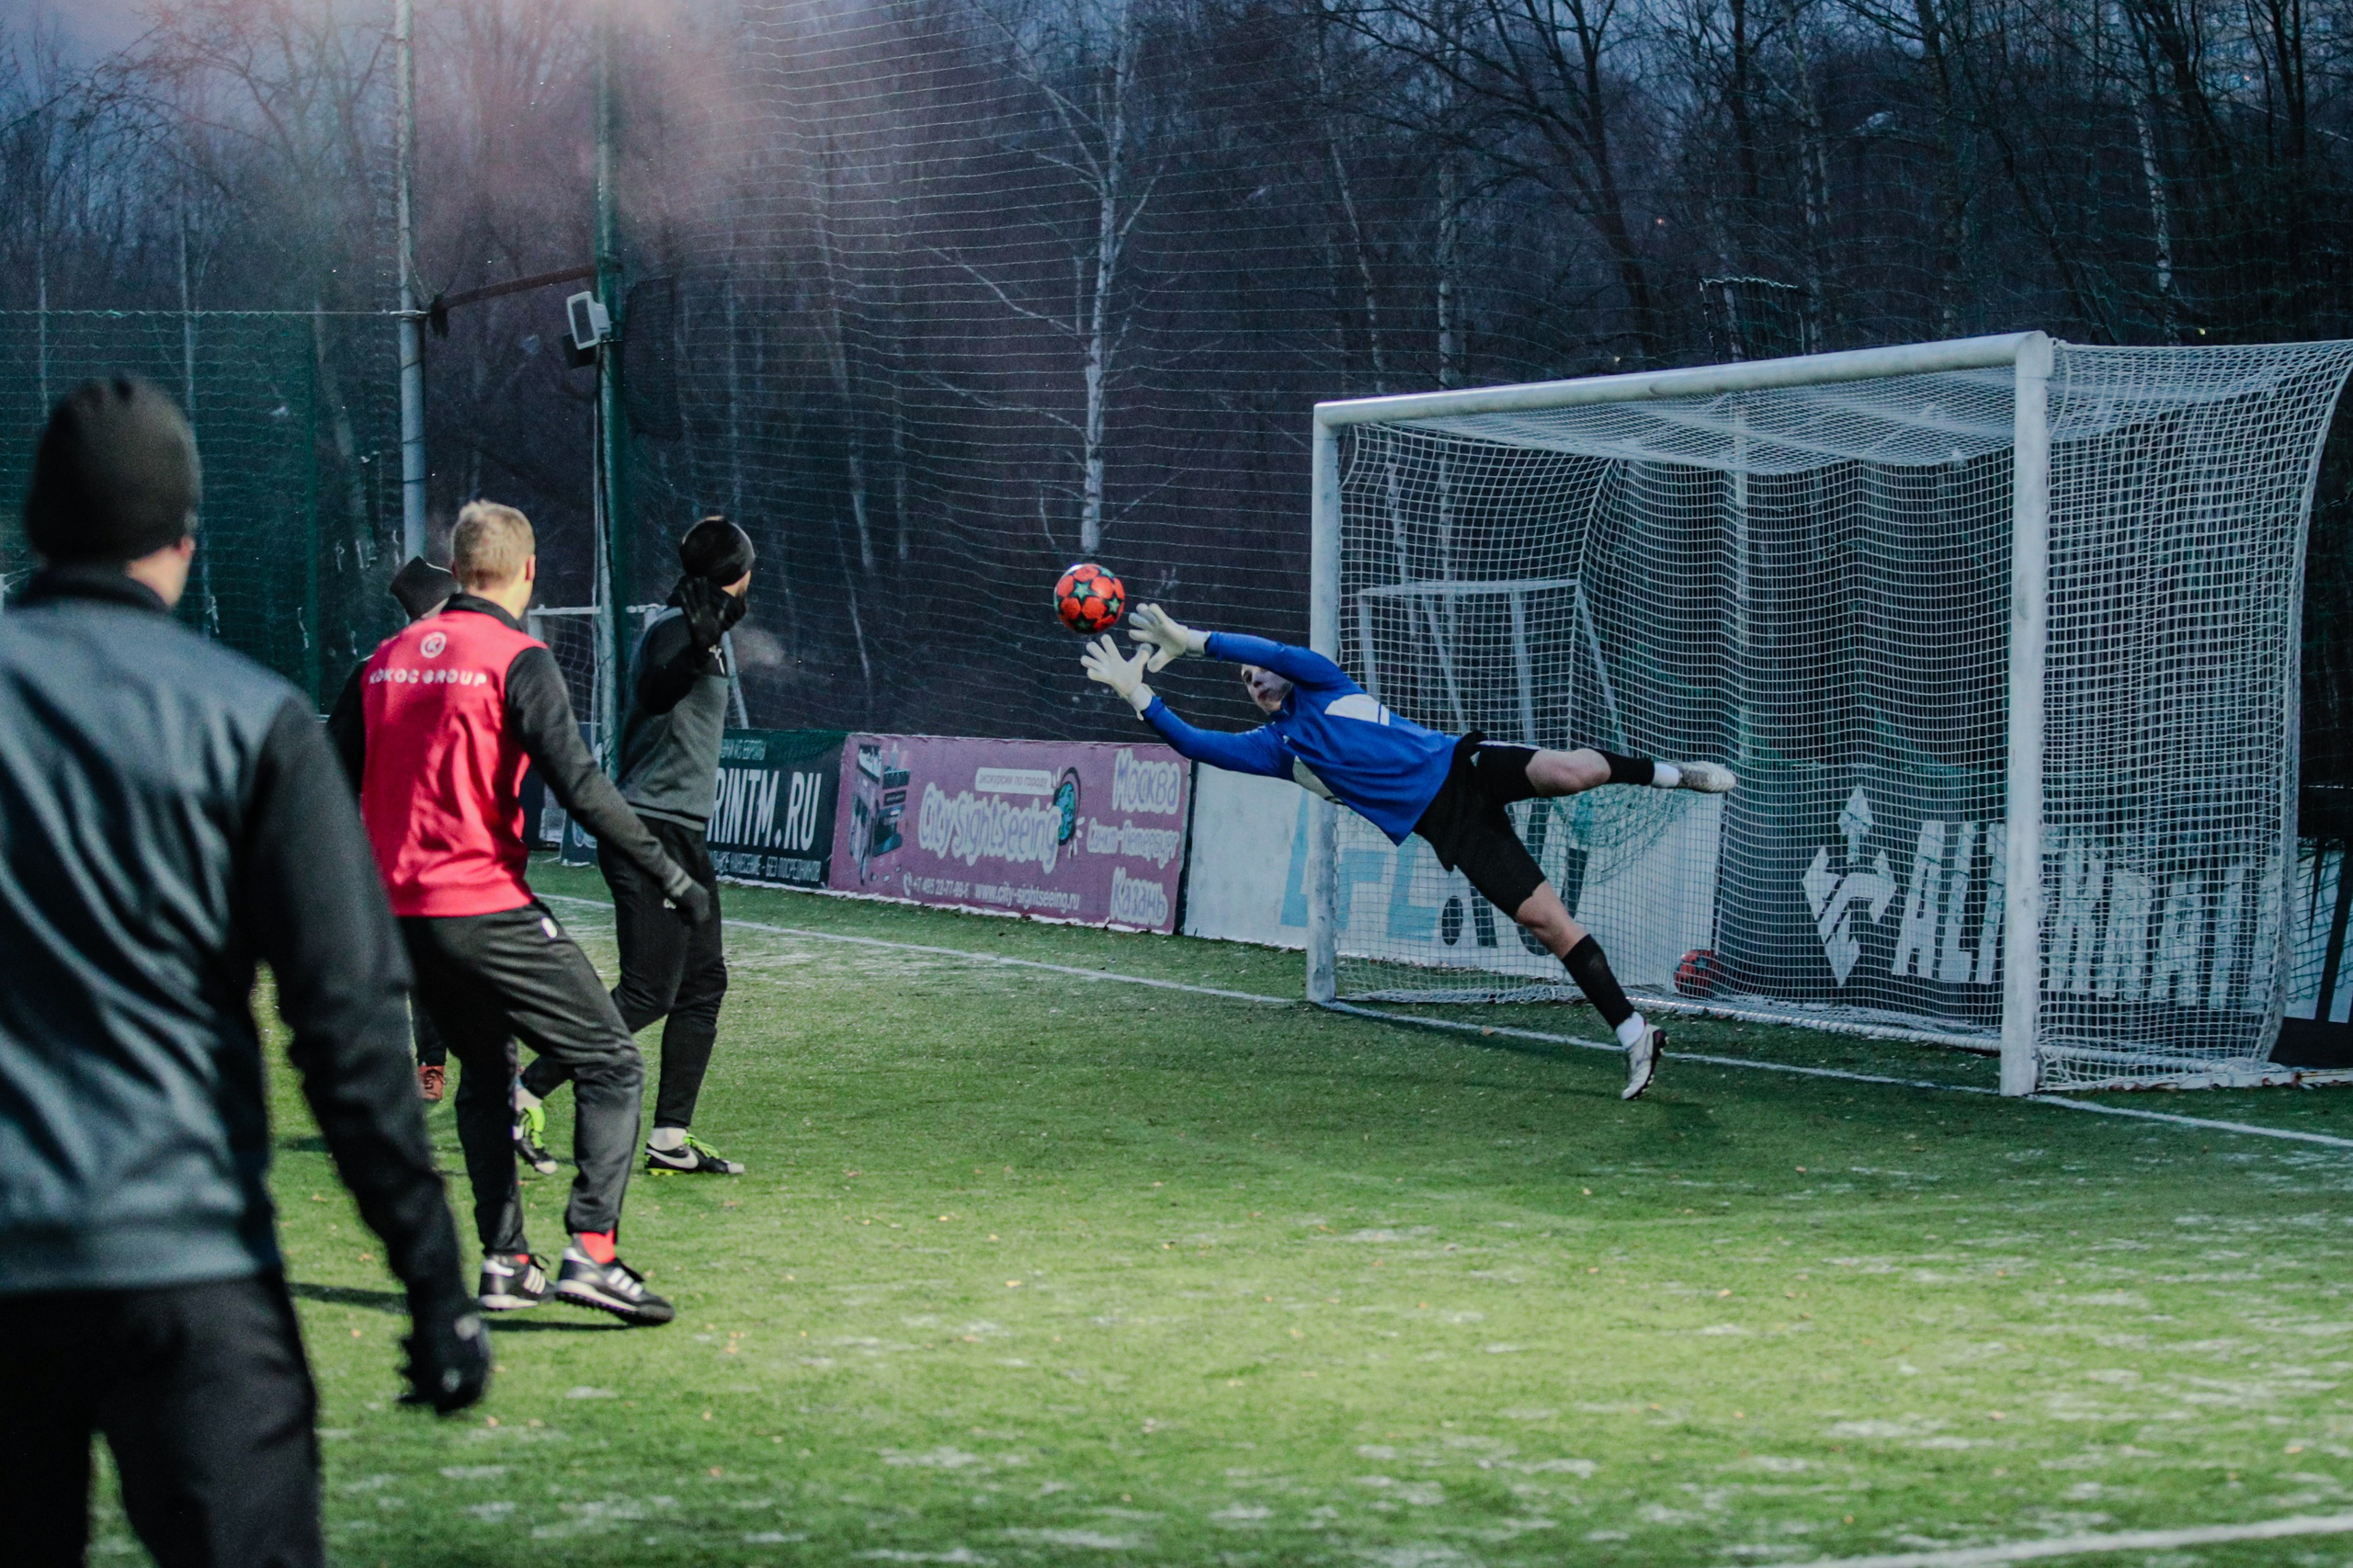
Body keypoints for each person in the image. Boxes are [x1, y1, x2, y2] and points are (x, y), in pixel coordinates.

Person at [0, 377, 487, 1568]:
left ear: (36, 527)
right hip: (190, 1264)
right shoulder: (251, 719)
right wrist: (433, 1276)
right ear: (182, 540)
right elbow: (348, 1028)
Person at [1082, 605, 1739, 1099]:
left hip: (1463, 767)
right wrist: (1138, 694)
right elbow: (1197, 744)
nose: (1254, 679)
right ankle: (1635, 1035)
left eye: (1258, 672)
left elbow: (1273, 648)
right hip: (1450, 829)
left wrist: (1195, 641)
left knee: (1571, 773)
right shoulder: (1278, 750)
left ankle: (1673, 774)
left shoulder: (1321, 681)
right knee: (1548, 924)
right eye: (1246, 680)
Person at [329, 500, 712, 1326]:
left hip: (398, 918)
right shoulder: (517, 658)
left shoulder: (383, 661)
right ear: (528, 572)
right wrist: (669, 876)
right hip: (482, 906)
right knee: (611, 1062)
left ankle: (505, 1261)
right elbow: (581, 788)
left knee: (486, 1072)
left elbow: (324, 781)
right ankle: (594, 1253)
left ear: (459, 567)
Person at [514, 516, 752, 1177]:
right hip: (648, 830)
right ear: (739, 573)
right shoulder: (677, 629)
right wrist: (696, 647)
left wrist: (706, 642)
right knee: (649, 992)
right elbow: (657, 689)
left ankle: (670, 1138)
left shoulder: (700, 628)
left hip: (680, 831)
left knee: (703, 983)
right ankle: (524, 1092)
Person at [386, 554, 460, 1101]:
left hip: (473, 837)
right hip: (416, 840)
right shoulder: (392, 667)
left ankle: (495, 1070)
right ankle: (432, 1063)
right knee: (429, 961)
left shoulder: (477, 657)